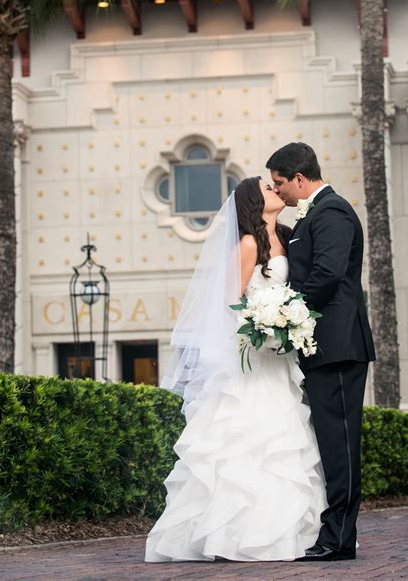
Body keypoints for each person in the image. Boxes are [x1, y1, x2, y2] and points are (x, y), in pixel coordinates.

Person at [145, 177, 327, 562]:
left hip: (281, 361)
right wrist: (265, 324)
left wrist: (288, 324)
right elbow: (229, 306)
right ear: (251, 202)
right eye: (267, 187)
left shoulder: (288, 236)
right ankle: (233, 533)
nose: (275, 190)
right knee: (247, 442)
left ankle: (286, 531)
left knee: (284, 442)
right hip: (255, 359)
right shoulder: (248, 244)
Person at [266, 142, 376, 562]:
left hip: (338, 345)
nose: (279, 192)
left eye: (281, 183)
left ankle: (337, 539)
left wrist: (285, 312)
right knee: (331, 444)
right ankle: (337, 536)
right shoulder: (312, 214)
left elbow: (328, 274)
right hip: (323, 347)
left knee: (340, 445)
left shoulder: (330, 211)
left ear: (299, 177)